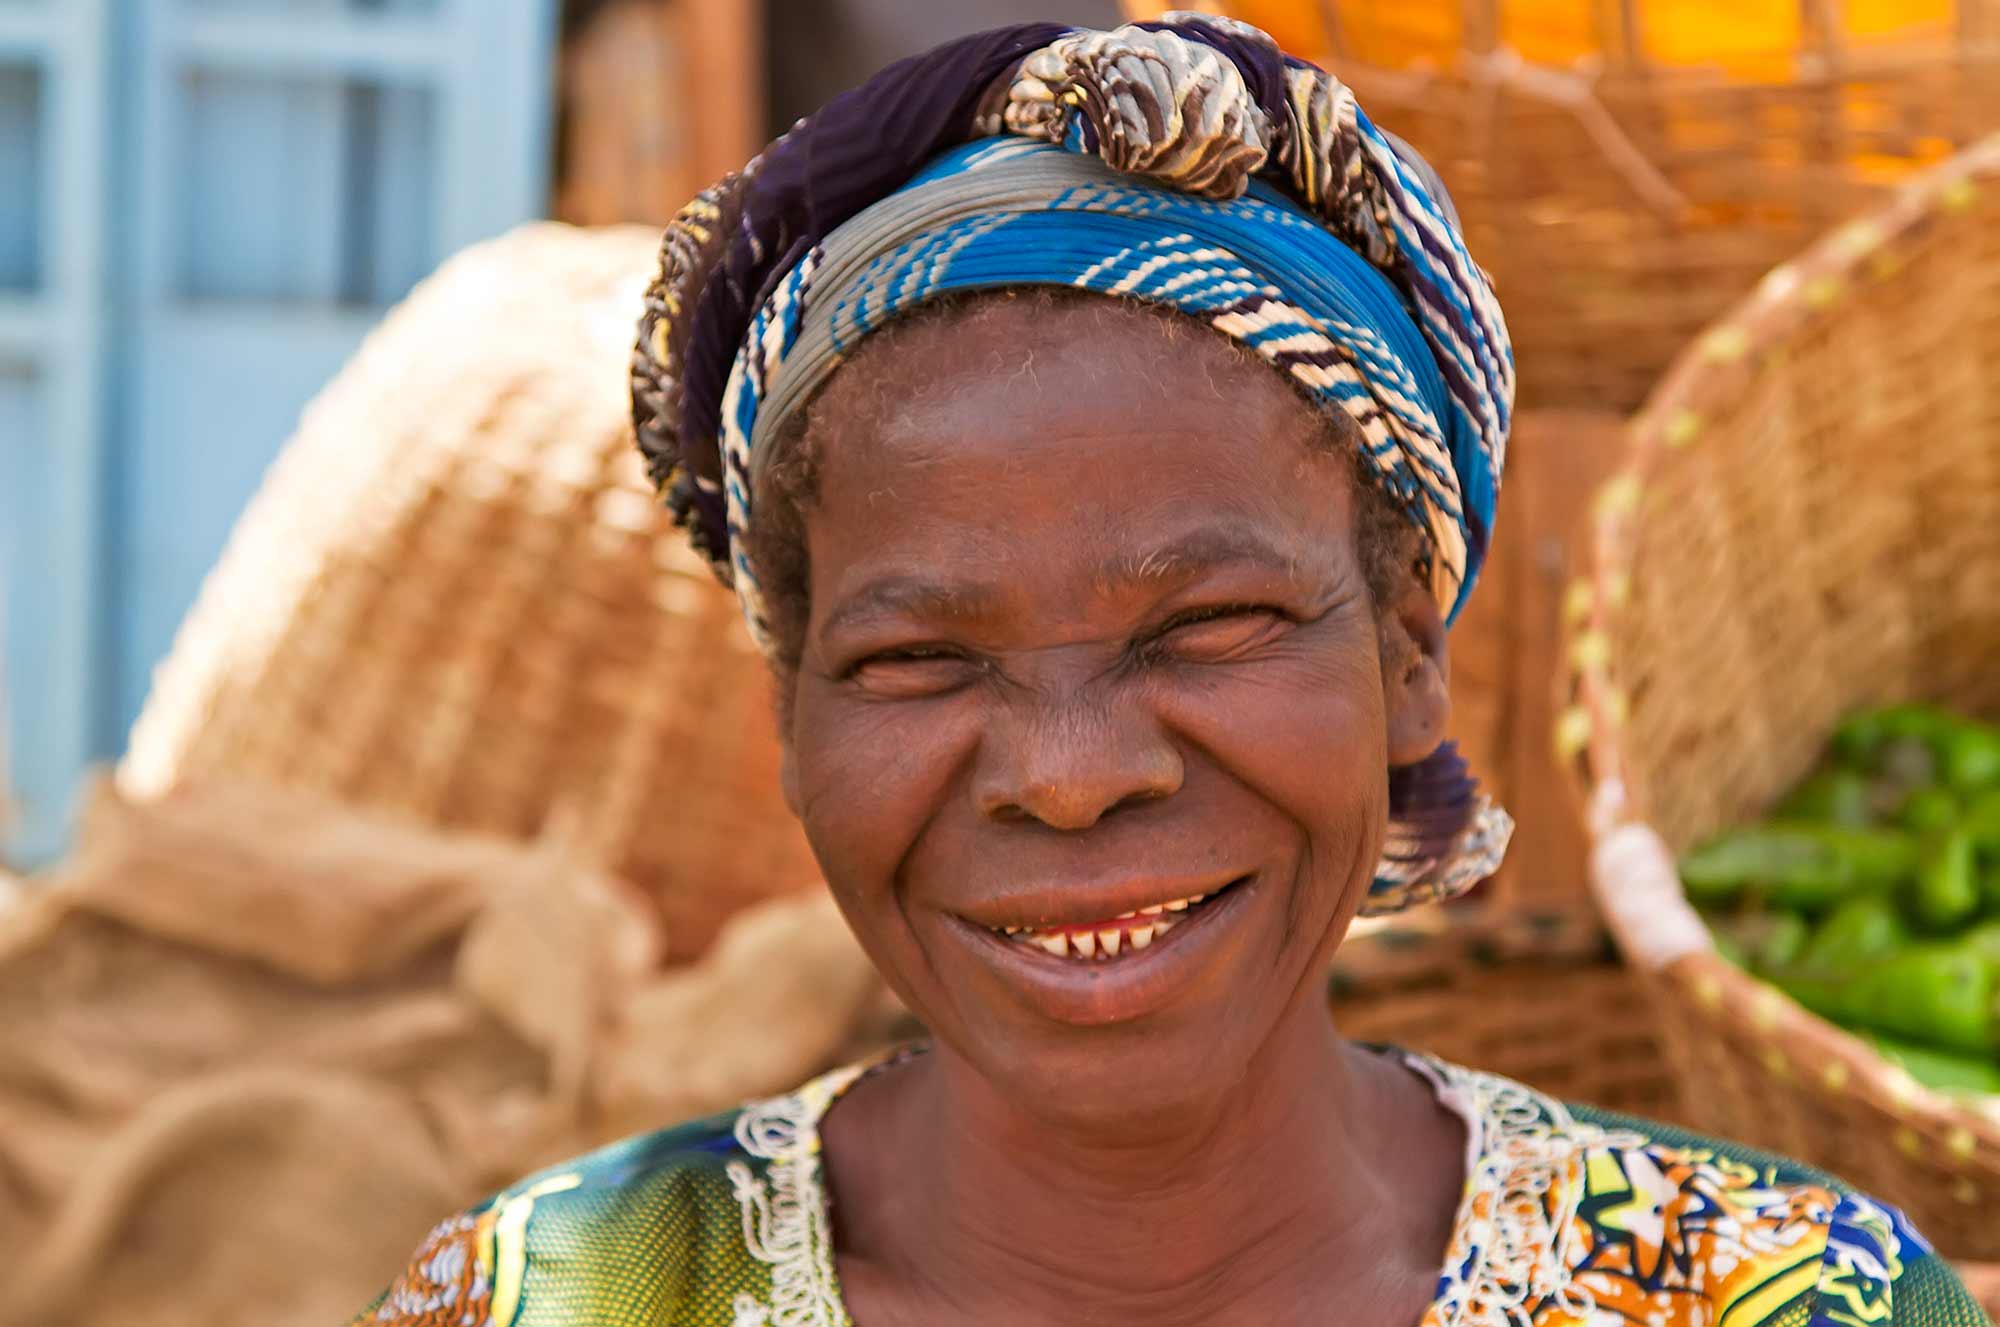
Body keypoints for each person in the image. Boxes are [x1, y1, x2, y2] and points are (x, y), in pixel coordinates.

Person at [352, 17, 1989, 1327]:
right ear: (790, 713)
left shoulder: (1779, 1298)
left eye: (1208, 630)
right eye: (919, 658)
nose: (1067, 773)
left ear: (1410, 660)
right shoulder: (551, 1300)